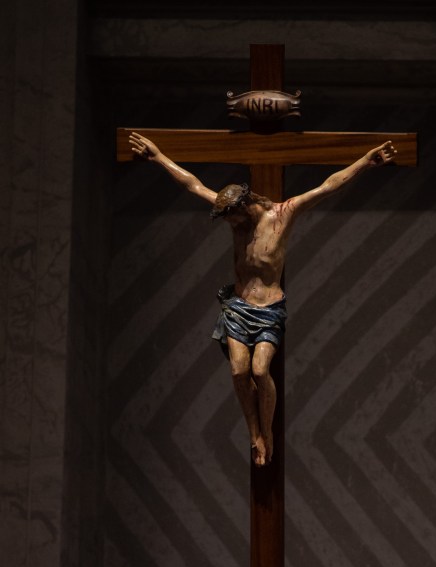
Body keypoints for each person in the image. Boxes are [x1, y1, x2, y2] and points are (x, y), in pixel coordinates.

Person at [128, 131, 397, 466]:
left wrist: (365, 163)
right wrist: (157, 157)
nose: (229, 225)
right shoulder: (236, 221)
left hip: (268, 309)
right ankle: (253, 431)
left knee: (259, 370)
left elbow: (328, 186)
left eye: (232, 218)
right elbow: (192, 185)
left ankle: (266, 432)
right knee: (239, 372)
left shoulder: (283, 215)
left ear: (245, 206)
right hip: (238, 308)